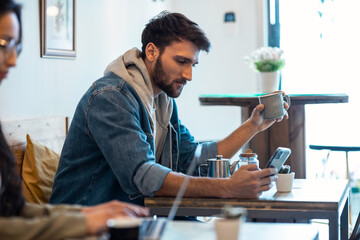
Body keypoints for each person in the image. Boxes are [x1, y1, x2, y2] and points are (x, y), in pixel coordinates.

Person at [50, 11, 287, 207]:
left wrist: (253, 126)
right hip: (83, 225)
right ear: (151, 52)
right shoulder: (111, 98)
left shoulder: (162, 101)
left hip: (132, 220)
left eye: (193, 64)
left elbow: (192, 159)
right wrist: (226, 187)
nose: (189, 75)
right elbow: (143, 175)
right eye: (181, 61)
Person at [0, 1, 149, 239]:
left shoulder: (162, 102)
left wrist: (89, 213)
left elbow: (16, 211)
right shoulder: (109, 96)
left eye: (16, 47)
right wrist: (83, 222)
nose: (13, 61)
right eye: (3, 44)